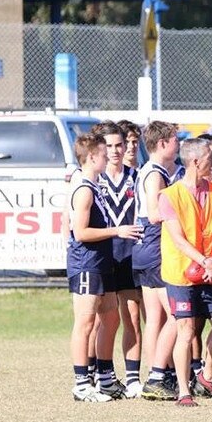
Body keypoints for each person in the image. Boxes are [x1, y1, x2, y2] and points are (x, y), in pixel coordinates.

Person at [67, 128, 142, 402]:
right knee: (85, 321)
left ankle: (106, 377)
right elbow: (81, 232)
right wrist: (116, 231)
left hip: (102, 261)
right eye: (102, 153)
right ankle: (81, 383)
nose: (108, 156)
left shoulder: (95, 185)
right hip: (86, 262)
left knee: (110, 316)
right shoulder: (84, 189)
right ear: (90, 157)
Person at [158, 138, 212, 407]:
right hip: (182, 272)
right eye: (211, 158)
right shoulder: (169, 196)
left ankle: (207, 374)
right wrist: (204, 260)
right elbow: (177, 239)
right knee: (186, 331)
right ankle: (183, 391)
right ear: (195, 162)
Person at [133, 121, 182, 401]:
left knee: (155, 318)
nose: (178, 144)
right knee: (177, 314)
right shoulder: (154, 174)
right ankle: (157, 375)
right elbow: (153, 213)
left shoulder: (152, 171)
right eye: (175, 140)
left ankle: (156, 375)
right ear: (163, 143)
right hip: (154, 247)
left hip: (144, 249)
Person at [97, 121, 144, 398]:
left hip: (129, 255)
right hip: (101, 257)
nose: (115, 151)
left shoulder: (137, 177)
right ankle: (97, 374)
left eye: (119, 145)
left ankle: (134, 378)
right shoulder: (91, 178)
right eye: (110, 146)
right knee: (99, 320)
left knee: (132, 318)